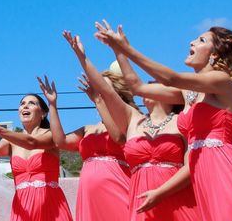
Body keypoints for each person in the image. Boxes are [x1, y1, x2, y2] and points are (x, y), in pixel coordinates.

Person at [94, 21, 232, 220]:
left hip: (221, 164)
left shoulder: (222, 81)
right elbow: (138, 87)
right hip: (200, 171)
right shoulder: (187, 91)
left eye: (201, 40)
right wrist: (117, 50)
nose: (192, 41)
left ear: (214, 54)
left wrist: (127, 48)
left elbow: (170, 78)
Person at [64, 30, 198, 220]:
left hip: (177, 200)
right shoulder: (134, 119)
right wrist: (83, 56)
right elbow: (105, 90)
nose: (149, 87)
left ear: (171, 96)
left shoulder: (182, 121)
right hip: (142, 202)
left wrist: (160, 193)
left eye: (156, 84)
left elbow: (191, 166)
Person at [37, 74, 130, 220]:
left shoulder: (128, 121)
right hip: (90, 195)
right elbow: (60, 141)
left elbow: (118, 137)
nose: (98, 92)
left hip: (117, 187)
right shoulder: (87, 129)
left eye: (103, 88)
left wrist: (98, 100)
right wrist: (52, 105)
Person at [0, 94, 73, 221]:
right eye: (22, 103)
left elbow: (32, 143)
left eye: (32, 103)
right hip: (22, 205)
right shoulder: (12, 140)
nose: (25, 106)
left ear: (43, 113)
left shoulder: (51, 135)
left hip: (50, 204)